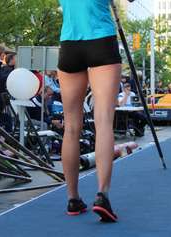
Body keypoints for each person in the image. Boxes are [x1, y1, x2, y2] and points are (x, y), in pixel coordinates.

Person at [57, 0, 121, 222]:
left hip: (69, 45)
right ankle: (102, 195)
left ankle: (73, 198)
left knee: (71, 127)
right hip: (101, 39)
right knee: (103, 121)